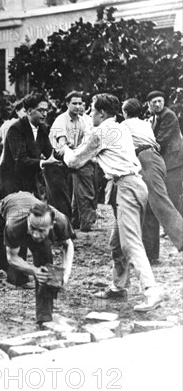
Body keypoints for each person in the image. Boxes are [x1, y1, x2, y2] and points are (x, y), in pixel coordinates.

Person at [62, 93, 164, 312]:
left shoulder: (101, 132)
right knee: (117, 243)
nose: (89, 113)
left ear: (101, 113)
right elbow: (97, 155)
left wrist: (63, 149)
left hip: (126, 186)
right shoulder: (119, 128)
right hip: (131, 185)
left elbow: (74, 161)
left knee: (130, 243)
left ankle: (151, 291)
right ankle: (119, 287)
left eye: (91, 109)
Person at [0, 192, 75, 326]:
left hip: (25, 217)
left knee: (46, 271)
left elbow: (68, 244)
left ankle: (44, 318)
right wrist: (34, 271)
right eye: (33, 228)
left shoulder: (60, 220)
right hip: (2, 220)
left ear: (52, 225)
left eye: (41, 230)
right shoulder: (15, 225)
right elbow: (12, 257)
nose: (36, 235)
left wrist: (65, 274)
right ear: (28, 221)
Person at [121, 98, 183, 262]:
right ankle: (151, 253)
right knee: (148, 206)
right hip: (154, 159)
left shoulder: (124, 126)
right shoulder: (145, 124)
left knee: (160, 202)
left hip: (145, 160)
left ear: (125, 113)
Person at [47, 91, 96, 227]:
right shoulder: (60, 120)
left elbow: (86, 141)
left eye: (80, 103)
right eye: (74, 103)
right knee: (61, 196)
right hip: (57, 160)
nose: (77, 106)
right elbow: (62, 145)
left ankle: (78, 222)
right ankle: (61, 225)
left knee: (81, 184)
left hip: (72, 158)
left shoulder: (82, 120)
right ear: (67, 104)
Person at [0, 93, 58, 200]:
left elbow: (49, 152)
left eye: (46, 110)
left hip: (28, 182)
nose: (45, 114)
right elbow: (21, 160)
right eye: (41, 110)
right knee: (15, 214)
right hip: (11, 183)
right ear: (29, 111)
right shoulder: (16, 129)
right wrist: (43, 162)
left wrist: (66, 153)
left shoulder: (42, 128)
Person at [147, 90, 183, 218]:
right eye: (154, 102)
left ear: (164, 102)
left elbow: (162, 140)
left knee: (174, 194)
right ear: (149, 104)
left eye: (159, 101)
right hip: (167, 161)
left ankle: (178, 226)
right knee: (169, 193)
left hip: (173, 161)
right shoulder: (156, 116)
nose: (157, 104)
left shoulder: (168, 115)